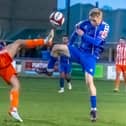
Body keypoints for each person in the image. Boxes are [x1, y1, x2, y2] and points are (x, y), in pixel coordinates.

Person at [47, 8, 109, 121]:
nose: (92, 23)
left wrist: (83, 35)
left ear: (100, 18)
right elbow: (75, 33)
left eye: (94, 21)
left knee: (89, 82)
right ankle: (49, 70)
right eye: (90, 20)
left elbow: (97, 42)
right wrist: (69, 45)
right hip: (79, 52)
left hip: (91, 57)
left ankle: (94, 110)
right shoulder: (84, 23)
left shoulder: (105, 27)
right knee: (56, 48)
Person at [0, 29, 54, 122]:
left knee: (16, 85)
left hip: (4, 64)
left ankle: (13, 109)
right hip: (2, 60)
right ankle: (45, 41)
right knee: (18, 42)